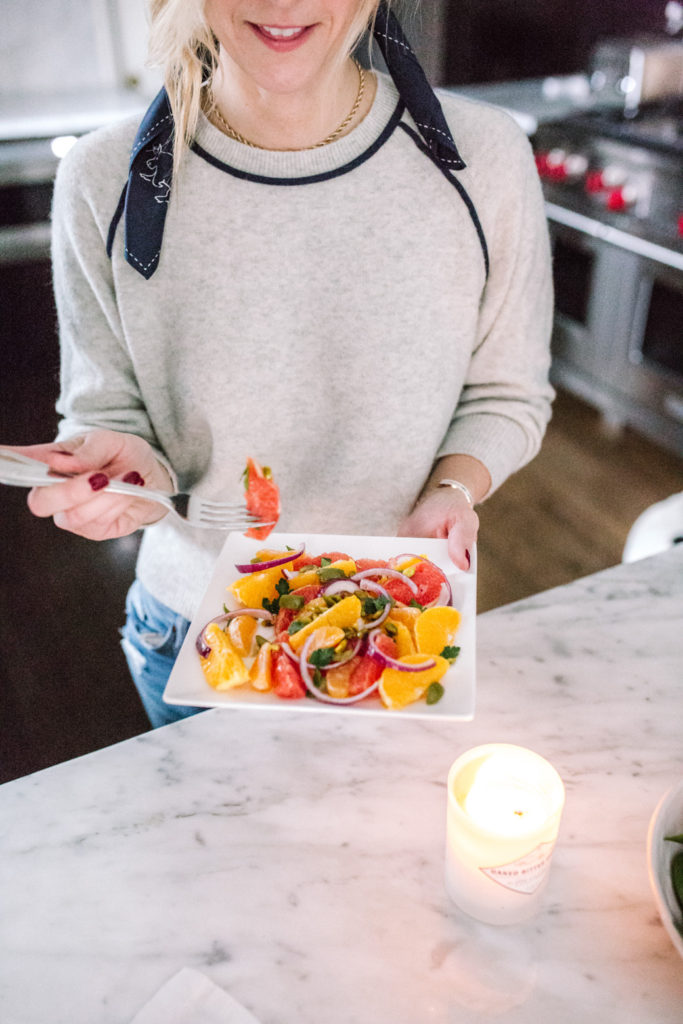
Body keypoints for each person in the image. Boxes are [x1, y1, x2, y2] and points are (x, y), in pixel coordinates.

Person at [8, 0, 554, 727]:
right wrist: (124, 470)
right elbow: (109, 414)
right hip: (198, 631)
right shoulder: (103, 178)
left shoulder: (481, 156)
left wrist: (451, 487)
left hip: (395, 624)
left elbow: (508, 393)